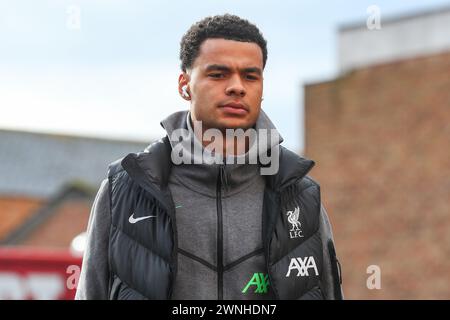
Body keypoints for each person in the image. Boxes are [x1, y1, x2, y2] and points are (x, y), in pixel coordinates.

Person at [75, 13, 343, 300]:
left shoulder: (299, 194)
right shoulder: (127, 190)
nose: (237, 87)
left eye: (250, 76)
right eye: (218, 74)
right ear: (184, 85)